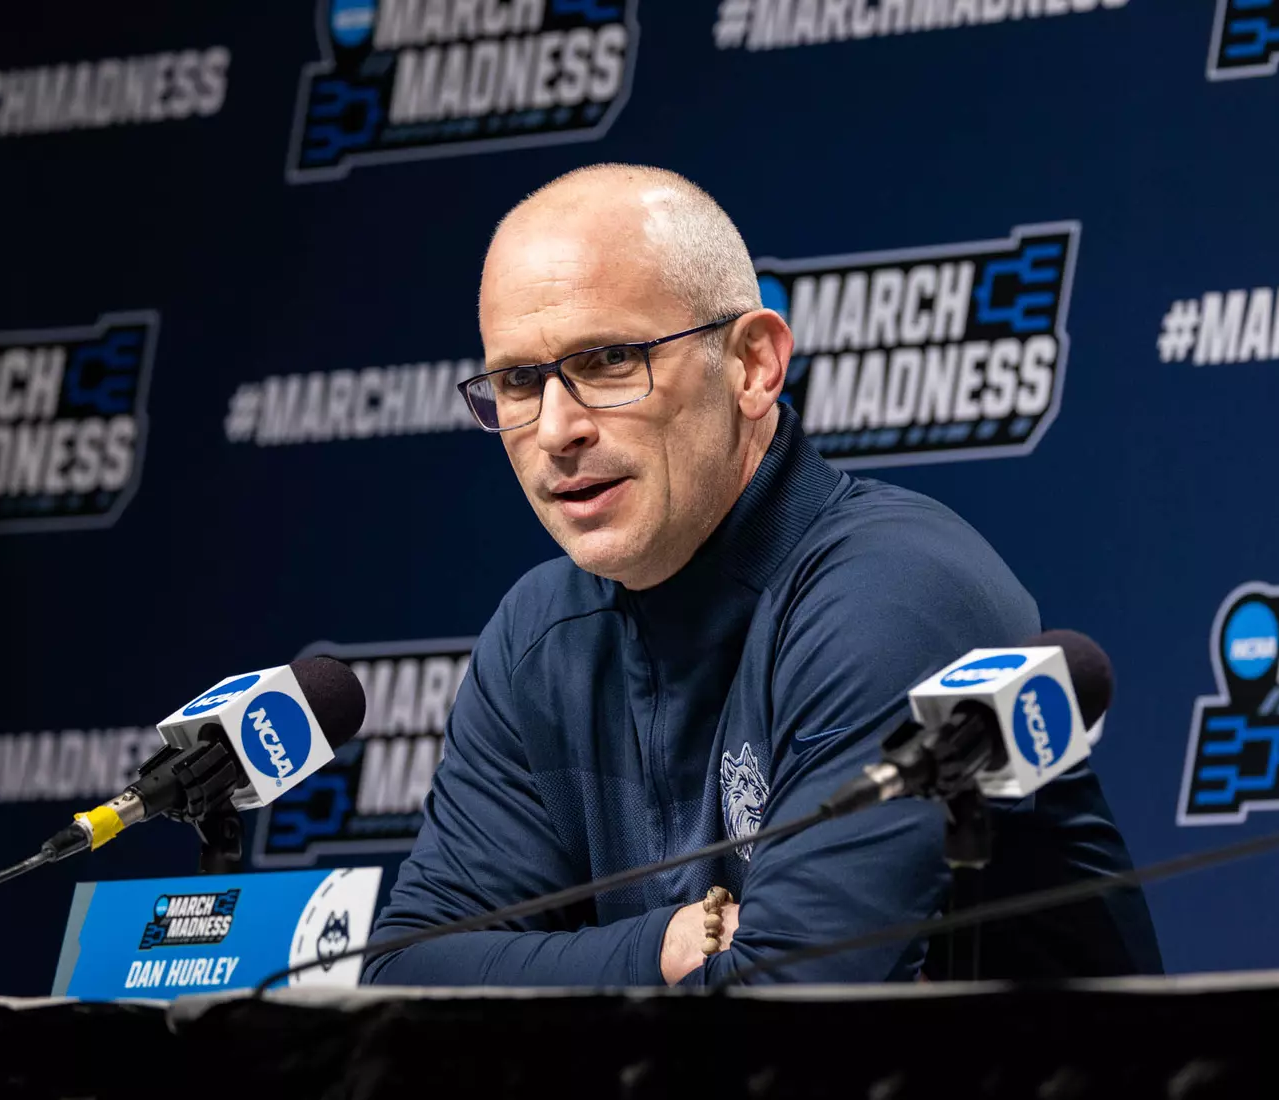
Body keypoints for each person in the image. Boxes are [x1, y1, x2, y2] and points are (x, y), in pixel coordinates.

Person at [364, 164, 1161, 986]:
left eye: (606, 361)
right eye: (520, 381)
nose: (557, 428)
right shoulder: (540, 632)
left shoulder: (890, 594)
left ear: (753, 366)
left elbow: (789, 1004)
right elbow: (406, 978)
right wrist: (661, 946)